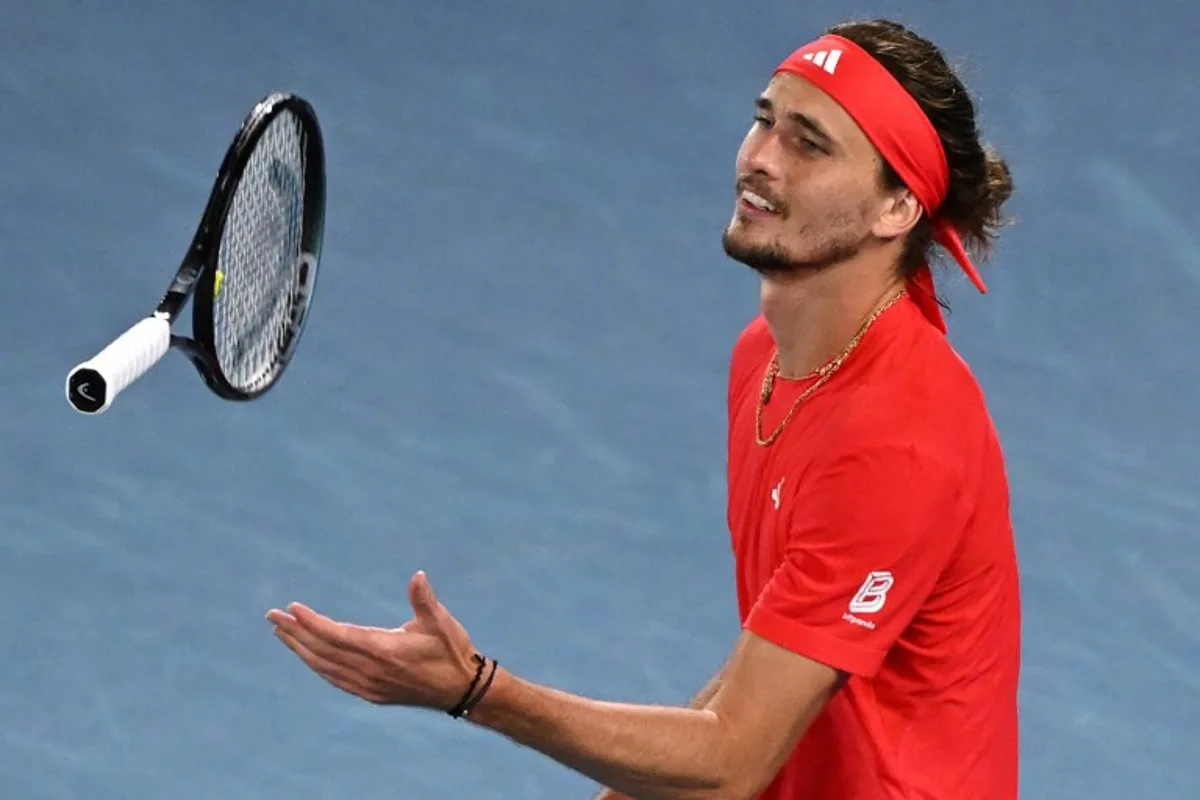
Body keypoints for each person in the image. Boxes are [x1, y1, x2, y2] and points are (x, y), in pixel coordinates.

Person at [266, 17, 1021, 800]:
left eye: (810, 143)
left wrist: (477, 690)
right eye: (764, 120)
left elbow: (731, 763)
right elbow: (760, 674)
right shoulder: (764, 358)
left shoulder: (899, 441)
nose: (759, 160)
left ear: (895, 208)